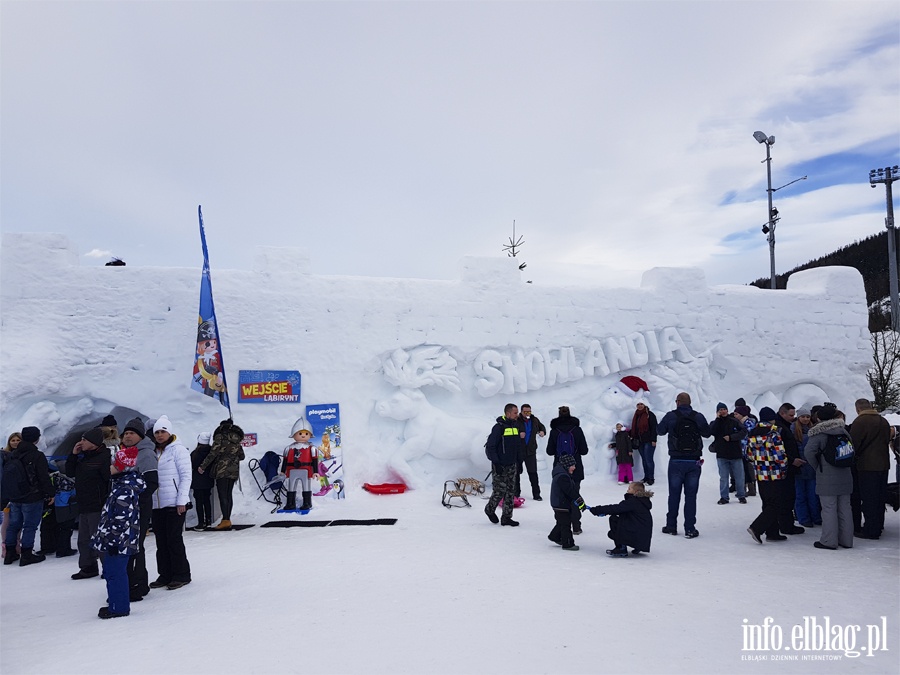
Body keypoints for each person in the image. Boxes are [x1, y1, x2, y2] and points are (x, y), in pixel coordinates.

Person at [92, 449, 146, 618]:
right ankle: (116, 602)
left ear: (123, 467)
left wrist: (114, 541)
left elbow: (121, 519)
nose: (110, 467)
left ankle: (118, 608)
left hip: (119, 541)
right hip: (118, 540)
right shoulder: (120, 485)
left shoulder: (124, 489)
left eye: (114, 464)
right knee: (111, 571)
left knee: (116, 573)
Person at [656, 392, 710, 538]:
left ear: (678, 402)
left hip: (676, 460)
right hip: (694, 461)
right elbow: (707, 433)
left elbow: (660, 431)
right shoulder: (697, 416)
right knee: (691, 496)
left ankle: (671, 526)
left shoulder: (670, 416)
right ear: (690, 402)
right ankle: (690, 528)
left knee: (674, 494)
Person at [150, 416, 192, 591]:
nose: (160, 435)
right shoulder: (154, 451)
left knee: (174, 539)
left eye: (163, 431)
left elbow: (185, 476)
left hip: (175, 503)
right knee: (161, 540)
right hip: (157, 504)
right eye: (157, 432)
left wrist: (181, 500)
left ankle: (181, 574)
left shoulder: (178, 450)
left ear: (170, 432)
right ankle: (165, 574)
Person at [2, 427, 54, 566]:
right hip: (32, 496)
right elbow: (43, 477)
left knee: (13, 525)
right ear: (36, 439)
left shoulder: (13, 454)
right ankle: (26, 554)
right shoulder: (37, 455)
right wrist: (50, 493)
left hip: (15, 495)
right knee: (30, 526)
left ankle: (10, 553)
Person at [804, 403, 853, 550]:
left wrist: (818, 467)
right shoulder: (844, 431)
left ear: (818, 418)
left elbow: (809, 453)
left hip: (826, 476)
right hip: (845, 474)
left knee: (829, 509)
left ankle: (829, 541)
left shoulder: (818, 434)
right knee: (845, 508)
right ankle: (846, 540)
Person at [121, 417, 157, 602]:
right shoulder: (126, 453)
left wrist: (134, 498)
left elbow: (152, 482)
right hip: (125, 509)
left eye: (131, 433)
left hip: (138, 507)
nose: (127, 436)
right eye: (125, 433)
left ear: (140, 436)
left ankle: (137, 585)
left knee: (135, 546)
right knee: (130, 545)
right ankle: (135, 583)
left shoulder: (145, 454)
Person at [66, 427, 111, 579]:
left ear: (94, 442)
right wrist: (73, 455)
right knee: (83, 539)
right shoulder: (84, 456)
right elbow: (69, 472)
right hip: (84, 504)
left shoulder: (104, 457)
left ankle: (109, 568)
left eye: (85, 440)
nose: (81, 442)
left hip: (98, 504)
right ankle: (88, 567)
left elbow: (109, 480)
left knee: (100, 539)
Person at [849, 398, 893, 540]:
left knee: (869, 499)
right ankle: (878, 525)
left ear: (858, 409)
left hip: (867, 465)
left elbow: (854, 444)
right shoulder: (883, 421)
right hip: (883, 464)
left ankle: (870, 530)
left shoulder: (860, 422)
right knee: (880, 497)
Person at [745, 407, 790, 544]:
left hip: (760, 474)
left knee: (767, 503)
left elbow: (749, 455)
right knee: (776, 504)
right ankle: (757, 527)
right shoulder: (773, 434)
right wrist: (784, 467)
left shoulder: (752, 433)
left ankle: (773, 532)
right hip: (774, 473)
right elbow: (780, 455)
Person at [546, 406, 590, 534]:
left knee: (561, 496)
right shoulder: (577, 430)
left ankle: (562, 525)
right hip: (575, 467)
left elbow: (549, 451)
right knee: (574, 495)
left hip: (560, 469)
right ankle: (576, 525)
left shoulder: (554, 431)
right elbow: (584, 450)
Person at [485, 403, 526, 527]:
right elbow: (491, 446)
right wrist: (496, 462)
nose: (517, 415)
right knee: (499, 491)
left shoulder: (515, 427)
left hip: (512, 464)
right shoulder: (498, 428)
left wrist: (519, 461)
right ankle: (489, 509)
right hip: (500, 465)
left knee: (510, 491)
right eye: (515, 413)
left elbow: (518, 446)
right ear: (508, 413)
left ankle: (507, 517)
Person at [200, 419, 245, 530]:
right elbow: (242, 456)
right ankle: (227, 519)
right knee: (228, 494)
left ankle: (225, 520)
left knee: (222, 495)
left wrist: (203, 466)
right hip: (234, 470)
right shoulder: (236, 439)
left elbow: (213, 453)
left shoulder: (220, 436)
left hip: (222, 469)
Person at [589, 481, 654, 557]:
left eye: (629, 489)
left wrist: (598, 510)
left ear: (635, 491)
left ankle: (621, 548)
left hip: (637, 534)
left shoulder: (633, 502)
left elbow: (616, 508)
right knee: (624, 517)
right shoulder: (642, 501)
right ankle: (637, 546)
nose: (627, 490)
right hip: (643, 536)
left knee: (614, 519)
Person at [773, 403, 806, 535]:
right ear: (782, 413)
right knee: (786, 497)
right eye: (791, 415)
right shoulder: (780, 428)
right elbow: (779, 449)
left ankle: (785, 523)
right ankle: (786, 525)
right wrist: (792, 460)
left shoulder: (785, 426)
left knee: (787, 497)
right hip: (785, 467)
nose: (793, 418)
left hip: (787, 466)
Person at [709, 402, 747, 505]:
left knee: (739, 476)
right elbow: (711, 431)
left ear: (727, 410)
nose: (722, 411)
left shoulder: (734, 421)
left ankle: (741, 495)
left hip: (735, 453)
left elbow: (743, 432)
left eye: (724, 409)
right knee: (723, 477)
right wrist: (717, 419)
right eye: (720, 410)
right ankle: (724, 497)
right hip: (722, 454)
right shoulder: (715, 423)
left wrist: (731, 437)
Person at [281, 417, 319, 511]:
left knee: (306, 486)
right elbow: (285, 460)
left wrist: (315, 472)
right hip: (292, 470)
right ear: (294, 434)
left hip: (305, 470)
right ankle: (290, 503)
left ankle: (307, 503)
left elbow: (315, 460)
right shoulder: (289, 448)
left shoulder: (311, 448)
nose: (303, 436)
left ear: (310, 435)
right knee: (291, 487)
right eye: (300, 433)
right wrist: (283, 471)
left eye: (306, 433)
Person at [548, 454, 584, 551]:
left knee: (561, 522)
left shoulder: (562, 474)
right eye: (572, 465)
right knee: (566, 524)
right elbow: (570, 492)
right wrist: (580, 502)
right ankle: (568, 543)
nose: (574, 468)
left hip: (559, 503)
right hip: (561, 504)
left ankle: (554, 536)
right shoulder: (562, 477)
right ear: (567, 465)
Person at [792, 408, 820, 527]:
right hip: (799, 468)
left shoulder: (814, 430)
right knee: (800, 495)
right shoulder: (793, 429)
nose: (805, 419)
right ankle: (803, 517)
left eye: (807, 417)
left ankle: (816, 516)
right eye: (803, 416)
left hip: (812, 467)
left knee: (813, 495)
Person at [515, 404, 546, 500]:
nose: (527, 413)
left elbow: (542, 427)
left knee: (533, 473)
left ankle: (536, 494)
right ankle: (516, 493)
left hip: (531, 451)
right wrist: (518, 435)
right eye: (525, 412)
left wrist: (542, 432)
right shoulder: (516, 420)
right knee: (516, 473)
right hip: (518, 451)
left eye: (529, 411)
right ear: (521, 412)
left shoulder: (534, 420)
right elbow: (510, 433)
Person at [1, 432, 23, 558]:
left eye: (17, 440)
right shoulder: (4, 456)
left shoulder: (20, 455)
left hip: (18, 493)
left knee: (17, 520)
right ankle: (5, 545)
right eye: (13, 440)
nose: (15, 442)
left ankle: (16, 544)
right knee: (8, 520)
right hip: (7, 494)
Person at [190, 432, 214, 530]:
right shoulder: (211, 452)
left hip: (197, 481)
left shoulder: (195, 453)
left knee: (199, 502)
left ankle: (201, 522)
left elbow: (192, 465)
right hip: (208, 479)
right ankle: (208, 519)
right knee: (207, 500)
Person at [630, 401, 658, 485]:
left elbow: (654, 427)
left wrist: (654, 440)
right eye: (638, 404)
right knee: (644, 460)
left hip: (649, 441)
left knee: (649, 460)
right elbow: (635, 428)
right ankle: (646, 477)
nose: (639, 406)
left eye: (641, 404)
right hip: (640, 441)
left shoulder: (650, 415)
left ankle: (651, 478)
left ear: (645, 405)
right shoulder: (637, 415)